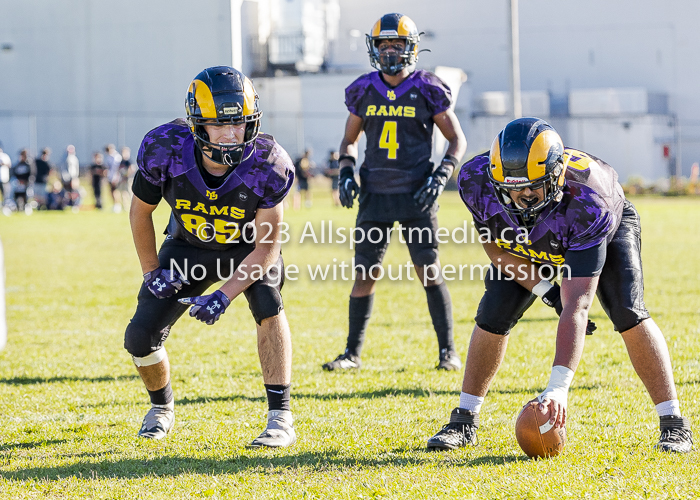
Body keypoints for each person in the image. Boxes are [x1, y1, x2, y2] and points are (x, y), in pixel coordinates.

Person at [426, 117, 693, 453]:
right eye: (510, 189)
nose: (520, 198)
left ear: (554, 176)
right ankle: (463, 421)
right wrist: (545, 290)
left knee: (628, 311)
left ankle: (673, 423)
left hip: (587, 227)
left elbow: (578, 305)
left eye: (531, 187)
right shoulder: (476, 180)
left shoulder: (588, 200)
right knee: (493, 311)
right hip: (530, 238)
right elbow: (495, 248)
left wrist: (557, 387)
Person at [124, 66, 296, 448]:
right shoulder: (165, 149)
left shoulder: (268, 162)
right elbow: (140, 212)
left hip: (246, 248)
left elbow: (267, 247)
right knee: (139, 335)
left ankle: (280, 418)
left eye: (241, 124)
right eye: (221, 125)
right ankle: (161, 408)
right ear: (197, 124)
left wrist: (225, 294)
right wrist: (151, 270)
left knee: (268, 303)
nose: (233, 134)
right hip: (188, 245)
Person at [322, 13, 467, 371]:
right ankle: (352, 353)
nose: (389, 51)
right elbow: (349, 140)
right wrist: (345, 172)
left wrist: (442, 174)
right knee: (364, 274)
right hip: (374, 194)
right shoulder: (364, 89)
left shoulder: (428, 87)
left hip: (417, 193)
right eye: (383, 44)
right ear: (373, 48)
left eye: (397, 44)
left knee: (428, 271)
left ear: (411, 47)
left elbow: (456, 139)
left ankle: (448, 351)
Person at [12, 149, 35, 213]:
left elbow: (32, 173)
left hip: (26, 183)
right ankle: (18, 207)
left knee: (27, 196)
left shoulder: (28, 164)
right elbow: (14, 172)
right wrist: (19, 180)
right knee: (17, 195)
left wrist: (26, 181)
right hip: (19, 183)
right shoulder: (18, 164)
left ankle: (26, 207)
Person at [104, 144, 123, 212]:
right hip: (110, 176)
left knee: (115, 191)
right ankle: (115, 204)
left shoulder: (116, 157)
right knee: (111, 191)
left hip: (115, 177)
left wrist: (115, 177)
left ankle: (118, 205)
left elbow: (117, 168)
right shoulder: (109, 157)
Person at [0, 147, 11, 214]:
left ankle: (5, 208)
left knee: (5, 194)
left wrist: (3, 163)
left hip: (4, 179)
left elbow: (9, 165)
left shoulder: (5, 156)